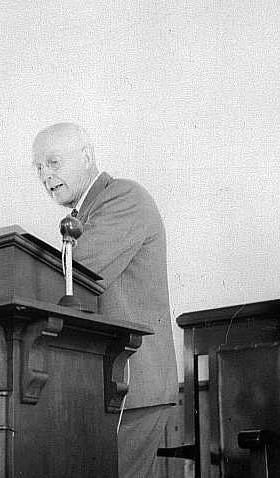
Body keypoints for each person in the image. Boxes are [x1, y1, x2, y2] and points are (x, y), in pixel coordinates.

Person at [32, 122, 178, 478]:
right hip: (107, 385)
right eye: (38, 169)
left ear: (86, 157)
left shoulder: (123, 198)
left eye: (53, 162)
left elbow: (78, 278)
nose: (45, 176)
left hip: (131, 384)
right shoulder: (83, 214)